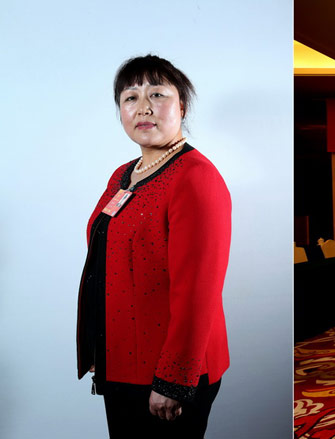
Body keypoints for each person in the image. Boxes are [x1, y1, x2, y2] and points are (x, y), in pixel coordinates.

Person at [76, 54, 231, 438]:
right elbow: (106, 263)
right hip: (123, 364)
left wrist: (173, 380)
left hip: (166, 374)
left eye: (157, 94)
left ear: (182, 106)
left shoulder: (195, 177)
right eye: (130, 97)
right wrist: (101, 351)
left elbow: (198, 291)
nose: (143, 107)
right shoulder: (123, 175)